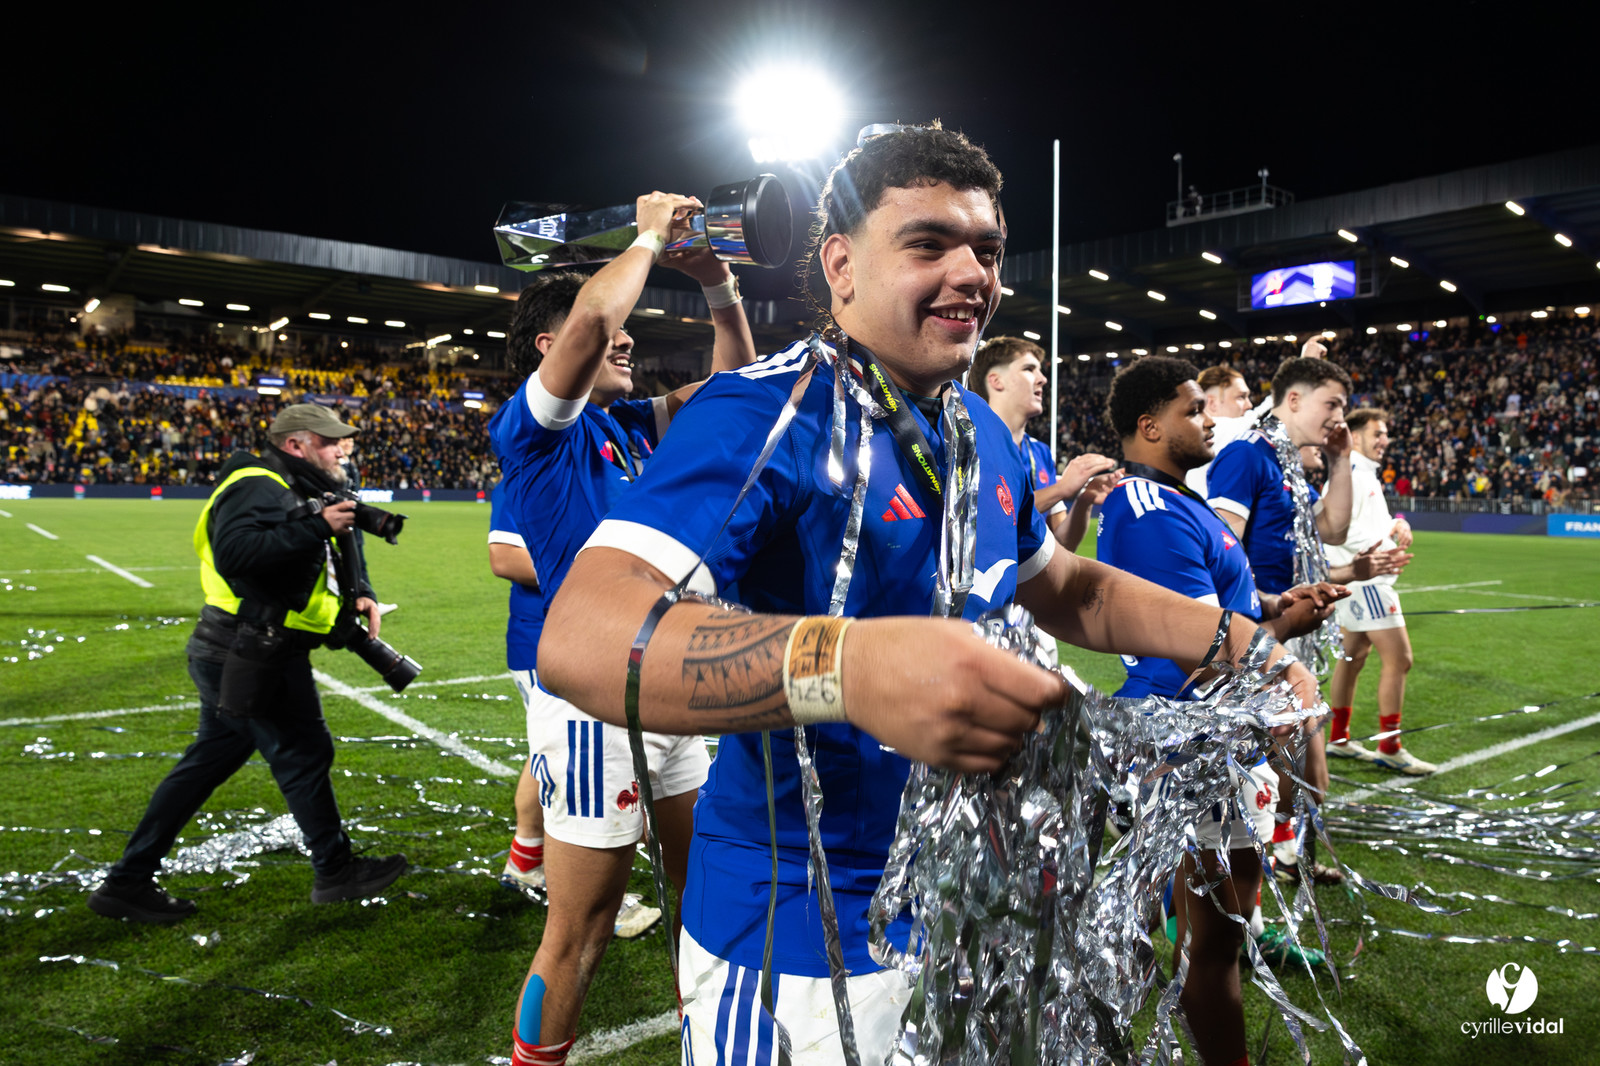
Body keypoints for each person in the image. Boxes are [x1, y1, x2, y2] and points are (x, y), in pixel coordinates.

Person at [538, 124, 1317, 1063]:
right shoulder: (760, 411)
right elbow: (581, 634)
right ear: (841, 265)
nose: (970, 274)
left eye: (985, 250)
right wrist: (848, 666)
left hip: (972, 912)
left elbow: (1064, 586)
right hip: (799, 950)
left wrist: (1234, 637)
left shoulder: (978, 432)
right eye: (927, 244)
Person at [490, 192, 758, 1066]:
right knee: (584, 928)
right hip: (591, 700)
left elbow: (734, 388)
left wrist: (717, 282)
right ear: (553, 348)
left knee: (703, 892)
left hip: (664, 678)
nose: (629, 340)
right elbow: (600, 310)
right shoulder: (537, 435)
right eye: (605, 338)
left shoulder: (625, 427)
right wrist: (645, 235)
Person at [1097, 357, 1342, 1064]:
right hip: (1190, 746)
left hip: (1214, 734)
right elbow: (1201, 649)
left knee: (1216, 922)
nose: (1210, 418)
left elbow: (1226, 614)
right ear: (1150, 426)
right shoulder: (1147, 511)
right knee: (1217, 932)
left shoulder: (1178, 502)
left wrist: (1275, 608)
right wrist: (1281, 647)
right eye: (1193, 409)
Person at [87, 403, 407, 924]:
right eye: (331, 442)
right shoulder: (257, 483)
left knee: (212, 759)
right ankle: (336, 870)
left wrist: (362, 591)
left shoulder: (296, 483)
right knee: (303, 753)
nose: (343, 449)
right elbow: (237, 553)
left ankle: (126, 881)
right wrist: (316, 527)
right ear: (296, 444)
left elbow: (333, 548)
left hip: (242, 648)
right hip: (251, 648)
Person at [487, 482, 665, 936]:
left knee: (545, 757)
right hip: (550, 642)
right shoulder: (540, 460)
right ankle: (596, 894)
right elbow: (504, 558)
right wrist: (613, 574)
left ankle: (525, 860)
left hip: (590, 638)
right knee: (582, 770)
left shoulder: (612, 452)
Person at [1206, 349, 1353, 887]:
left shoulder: (1289, 462)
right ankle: (1251, 874)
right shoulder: (1248, 456)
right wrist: (1268, 609)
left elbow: (1331, 528)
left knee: (1303, 769)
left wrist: (1341, 461)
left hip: (1291, 630)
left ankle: (1281, 859)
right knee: (1288, 768)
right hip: (1259, 634)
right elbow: (1222, 547)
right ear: (1293, 399)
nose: (1339, 415)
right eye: (1331, 403)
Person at [1325, 408, 1436, 774]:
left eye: (1385, 433)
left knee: (1353, 654)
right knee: (1400, 659)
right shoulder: (1353, 475)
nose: (1384, 440)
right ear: (1355, 438)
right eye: (1378, 433)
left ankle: (1339, 739)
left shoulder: (1361, 474)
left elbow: (1371, 523)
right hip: (1367, 582)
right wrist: (1388, 546)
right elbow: (1342, 532)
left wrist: (1397, 524)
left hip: (1355, 583)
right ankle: (1390, 745)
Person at [967, 334, 1120, 551]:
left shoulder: (1040, 452)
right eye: (1029, 369)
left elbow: (1063, 542)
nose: (1043, 378)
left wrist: (1083, 500)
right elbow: (992, 519)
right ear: (996, 381)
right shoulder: (969, 444)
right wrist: (1061, 489)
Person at [1184, 364, 1259, 497]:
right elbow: (1271, 414)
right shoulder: (1221, 428)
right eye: (1241, 397)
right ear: (1211, 403)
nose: (1249, 405)